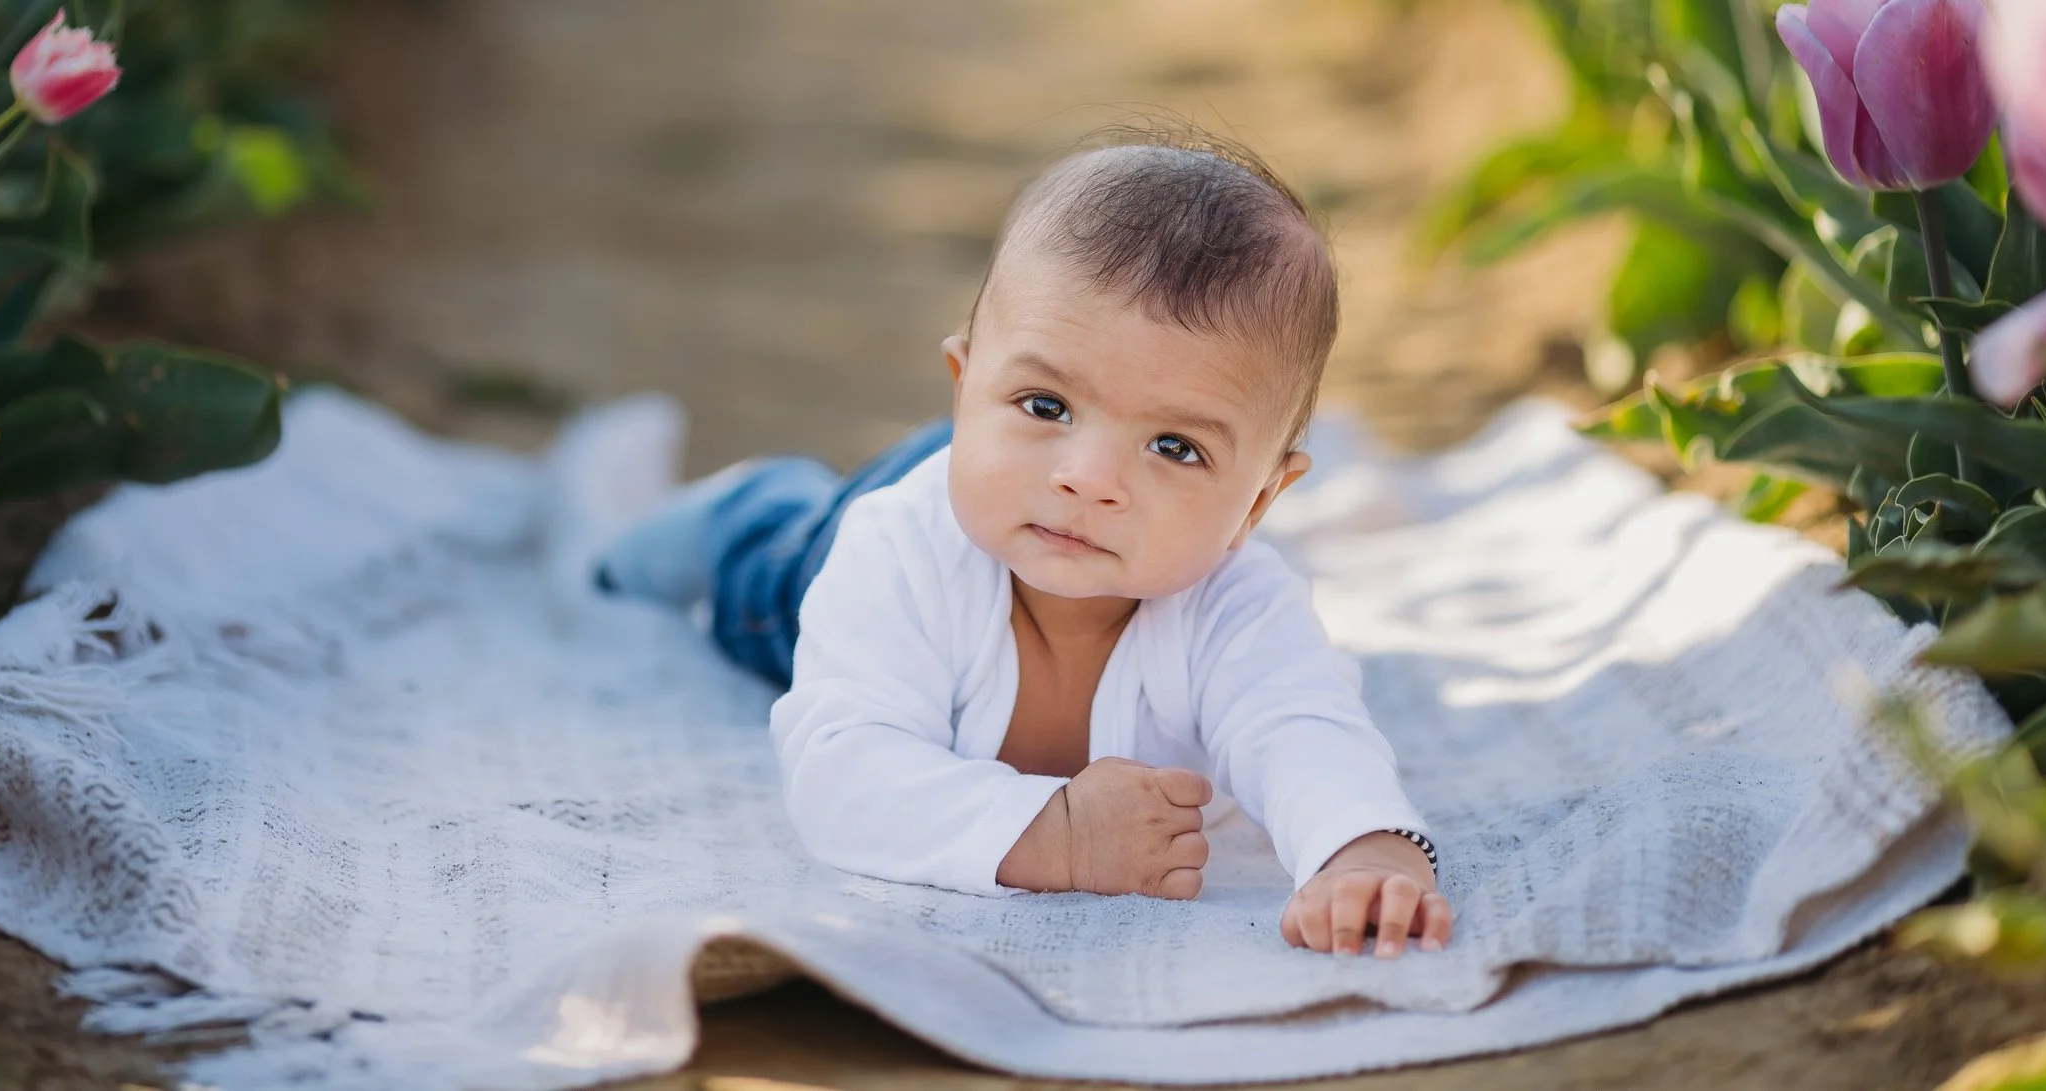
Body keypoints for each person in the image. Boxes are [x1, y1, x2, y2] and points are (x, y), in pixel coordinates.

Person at [597, 134, 1450, 957]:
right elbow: (840, 776)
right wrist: (1057, 834)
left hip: (1003, 479)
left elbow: (1302, 724)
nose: (1088, 477)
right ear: (966, 387)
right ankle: (654, 532)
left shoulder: (1237, 604)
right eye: (1046, 404)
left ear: (1259, 500)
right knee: (764, 550)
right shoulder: (896, 552)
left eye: (1174, 447)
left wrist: (1364, 848)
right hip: (887, 527)